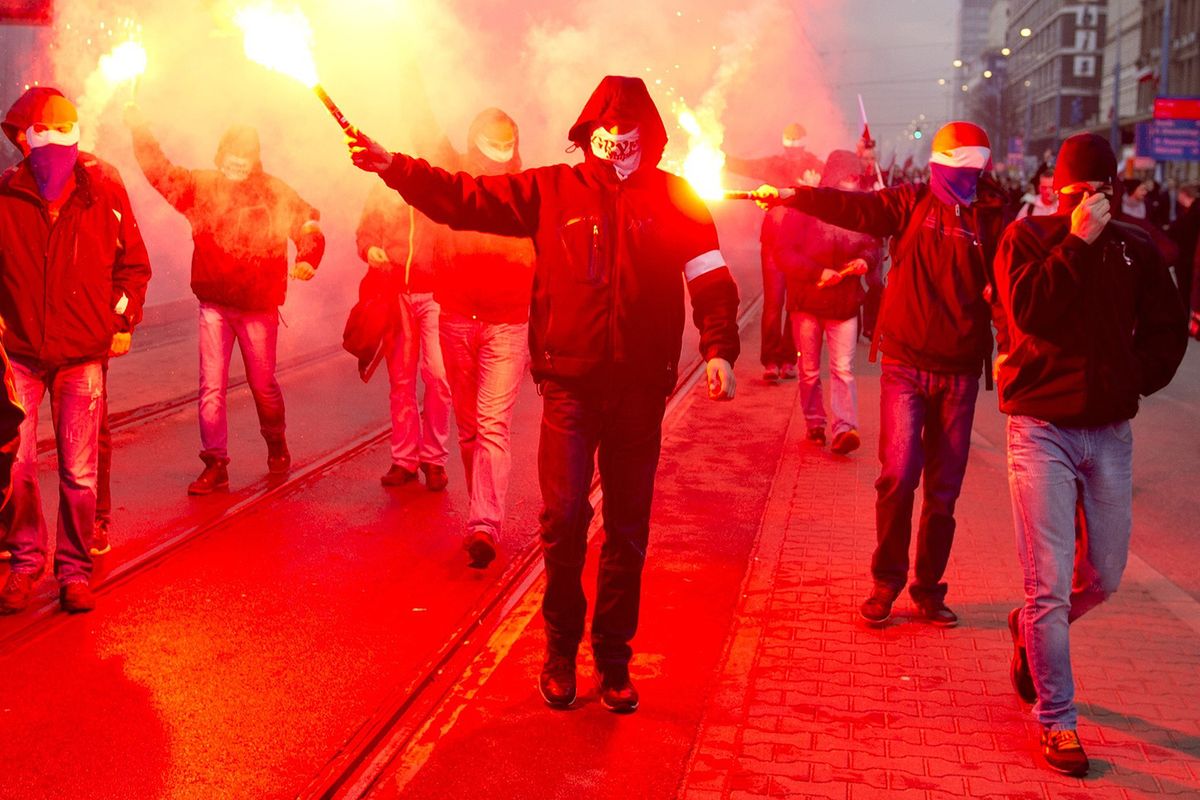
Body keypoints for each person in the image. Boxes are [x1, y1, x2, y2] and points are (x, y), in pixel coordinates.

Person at [350, 75, 740, 713]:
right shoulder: (551, 189)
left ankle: (612, 659)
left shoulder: (676, 197)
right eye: (609, 135)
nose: (619, 147)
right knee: (563, 521)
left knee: (628, 530)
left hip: (641, 389)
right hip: (569, 385)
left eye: (632, 137)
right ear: (590, 133)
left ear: (651, 137)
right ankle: (560, 650)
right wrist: (397, 168)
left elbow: (710, 274)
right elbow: (463, 199)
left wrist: (719, 346)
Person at [758, 121, 1007, 628]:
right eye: (952, 166)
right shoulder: (910, 201)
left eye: (970, 168)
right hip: (905, 364)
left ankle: (928, 589)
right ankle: (886, 582)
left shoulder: (993, 215)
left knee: (944, 488)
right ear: (936, 164)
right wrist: (798, 196)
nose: (960, 178)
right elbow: (857, 208)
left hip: (959, 368)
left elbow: (1009, 281)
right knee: (897, 476)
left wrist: (1007, 337)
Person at [992, 133, 1186, 777]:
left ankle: (1028, 628)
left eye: (1105, 192)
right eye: (1082, 193)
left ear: (1118, 190)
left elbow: (1167, 324)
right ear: (1060, 191)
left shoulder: (1136, 248)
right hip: (1039, 427)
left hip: (1108, 430)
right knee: (1047, 582)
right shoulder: (1029, 240)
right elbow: (1028, 312)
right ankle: (1058, 720)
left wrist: (1134, 378)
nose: (1095, 203)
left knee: (1101, 576)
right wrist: (1074, 241)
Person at [0, 88, 151, 614]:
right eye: (39, 130)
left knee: (79, 472)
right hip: (19, 354)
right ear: (24, 138)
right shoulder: (6, 195)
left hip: (82, 354)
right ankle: (23, 562)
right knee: (15, 466)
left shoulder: (103, 190)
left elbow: (133, 265)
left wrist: (119, 318)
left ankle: (73, 571)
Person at [124, 103, 324, 494]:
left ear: (255, 159)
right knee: (210, 388)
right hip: (214, 304)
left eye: (244, 157)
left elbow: (306, 221)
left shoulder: (273, 192)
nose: (236, 163)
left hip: (259, 307)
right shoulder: (202, 187)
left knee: (263, 384)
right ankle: (215, 463)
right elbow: (161, 174)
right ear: (221, 156)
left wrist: (308, 256)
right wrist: (139, 130)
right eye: (231, 156)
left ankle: (275, 441)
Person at [777, 150, 881, 454]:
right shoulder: (806, 207)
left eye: (855, 178)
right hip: (808, 300)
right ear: (834, 176)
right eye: (847, 177)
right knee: (808, 369)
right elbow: (783, 252)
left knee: (843, 368)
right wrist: (816, 271)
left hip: (845, 302)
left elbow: (872, 245)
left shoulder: (860, 210)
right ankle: (815, 422)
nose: (852, 183)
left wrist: (865, 260)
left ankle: (844, 427)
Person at [356, 183, 452, 493]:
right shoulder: (383, 186)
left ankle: (434, 458)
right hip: (395, 291)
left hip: (437, 293)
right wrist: (369, 248)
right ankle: (405, 459)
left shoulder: (438, 179)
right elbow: (367, 228)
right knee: (401, 379)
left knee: (438, 376)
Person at [726, 122, 822, 382]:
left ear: (803, 145)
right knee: (773, 302)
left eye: (797, 148)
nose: (793, 154)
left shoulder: (815, 167)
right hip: (774, 243)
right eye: (790, 149)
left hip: (801, 245)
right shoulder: (773, 164)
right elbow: (745, 166)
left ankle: (788, 359)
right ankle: (771, 361)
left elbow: (832, 187)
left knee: (793, 303)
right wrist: (719, 157)